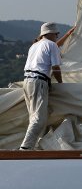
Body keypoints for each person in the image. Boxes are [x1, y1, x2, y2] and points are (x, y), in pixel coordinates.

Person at [19, 22, 63, 150]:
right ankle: (26, 148)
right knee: (39, 119)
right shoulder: (52, 45)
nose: (57, 36)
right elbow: (55, 68)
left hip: (27, 81)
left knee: (33, 117)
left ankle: (34, 146)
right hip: (39, 82)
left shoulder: (34, 46)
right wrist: (61, 84)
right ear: (50, 34)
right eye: (56, 34)